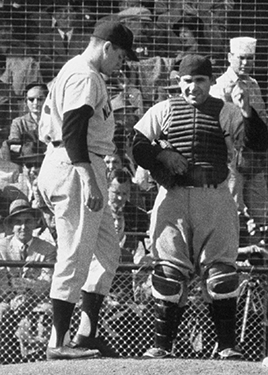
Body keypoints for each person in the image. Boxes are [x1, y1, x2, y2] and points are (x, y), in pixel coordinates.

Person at [131, 54, 268, 359]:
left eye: (200, 81)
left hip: (215, 196)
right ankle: (161, 347)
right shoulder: (164, 109)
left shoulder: (226, 110)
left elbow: (258, 143)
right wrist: (161, 155)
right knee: (168, 275)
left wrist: (248, 112)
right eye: (187, 81)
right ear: (178, 82)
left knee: (221, 274)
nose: (193, 88)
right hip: (173, 196)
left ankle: (227, 346)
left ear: (210, 81)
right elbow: (137, 144)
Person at [37, 21, 138, 360]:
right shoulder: (84, 75)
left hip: (74, 160)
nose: (121, 64)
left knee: (107, 250)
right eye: (121, 56)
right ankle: (57, 342)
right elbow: (73, 129)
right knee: (76, 252)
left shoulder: (81, 71)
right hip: (75, 164)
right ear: (107, 47)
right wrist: (88, 178)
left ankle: (86, 334)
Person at [210, 37, 268, 246]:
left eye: (250, 58)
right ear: (230, 57)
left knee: (261, 215)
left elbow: (262, 119)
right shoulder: (219, 87)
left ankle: (257, 263)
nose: (246, 63)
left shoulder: (254, 85)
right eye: (241, 58)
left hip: (254, 158)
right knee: (233, 212)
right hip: (231, 160)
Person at [0, 198, 56, 362]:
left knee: (47, 313)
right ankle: (7, 359)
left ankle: (41, 361)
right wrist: (12, 295)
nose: (23, 227)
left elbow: (47, 284)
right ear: (11, 226)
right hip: (7, 300)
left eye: (27, 221)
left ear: (34, 223)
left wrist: (25, 287)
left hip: (37, 300)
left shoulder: (47, 249)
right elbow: (1, 281)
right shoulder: (1, 247)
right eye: (18, 222)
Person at [8, 82, 48, 156]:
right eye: (31, 99)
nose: (35, 103)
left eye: (40, 99)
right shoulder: (18, 123)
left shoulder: (53, 121)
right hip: (27, 163)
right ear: (26, 102)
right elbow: (13, 146)